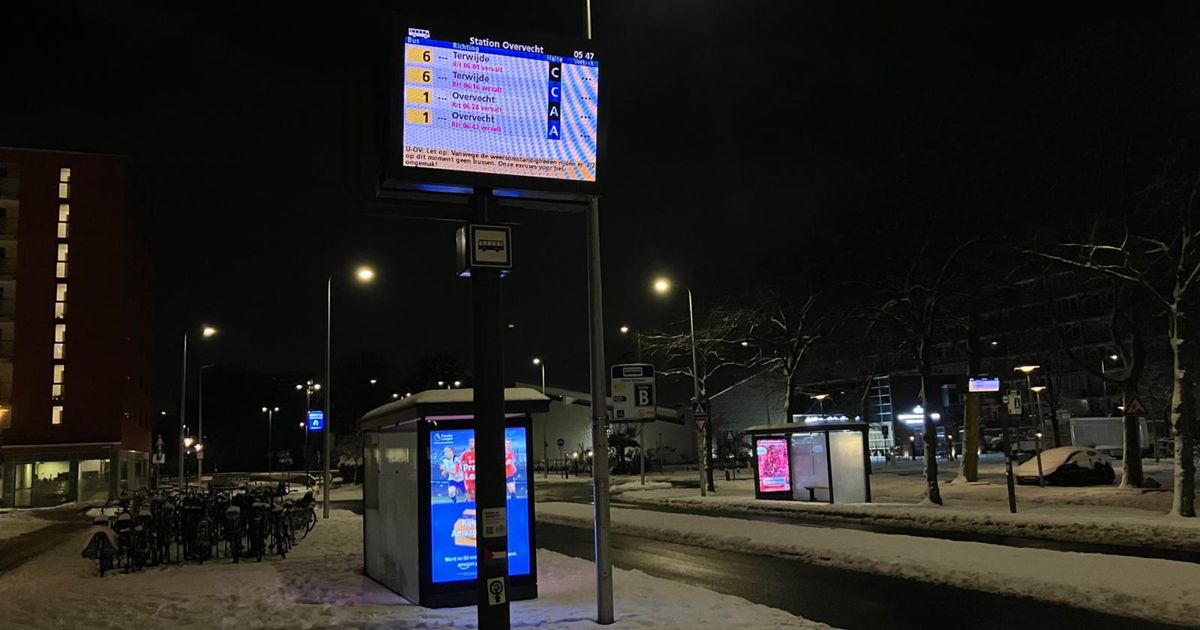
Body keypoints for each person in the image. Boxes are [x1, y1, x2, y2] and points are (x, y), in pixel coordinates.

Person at [459, 438, 477, 502]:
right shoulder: (465, 453)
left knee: (474, 496)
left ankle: (467, 503)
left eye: (472, 442)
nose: (471, 443)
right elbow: (458, 463)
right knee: (471, 494)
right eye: (470, 442)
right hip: (468, 478)